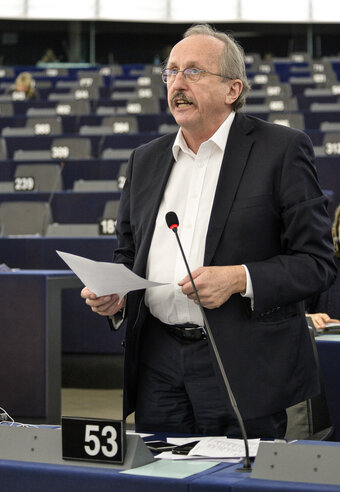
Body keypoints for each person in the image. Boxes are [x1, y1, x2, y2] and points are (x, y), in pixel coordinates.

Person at [81, 24, 336, 439]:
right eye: (171, 72)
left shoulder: (282, 150)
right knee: (159, 489)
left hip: (240, 360)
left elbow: (318, 263)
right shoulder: (144, 160)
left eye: (194, 72)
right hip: (157, 363)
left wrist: (239, 278)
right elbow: (128, 252)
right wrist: (116, 293)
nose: (178, 83)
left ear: (232, 89)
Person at [306, 204, 340, 330]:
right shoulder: (323, 267)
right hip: (328, 346)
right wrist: (309, 318)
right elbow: (293, 312)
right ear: (336, 230)